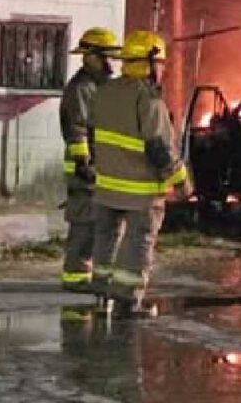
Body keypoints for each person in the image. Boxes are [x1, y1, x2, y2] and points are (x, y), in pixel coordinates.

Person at [89, 30, 192, 317]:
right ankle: (127, 302)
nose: (163, 70)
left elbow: (93, 134)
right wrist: (181, 182)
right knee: (138, 243)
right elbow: (159, 147)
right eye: (160, 64)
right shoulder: (148, 100)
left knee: (105, 239)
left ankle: (101, 295)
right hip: (140, 191)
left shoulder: (106, 92)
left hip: (106, 186)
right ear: (148, 63)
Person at [59, 28, 120, 293]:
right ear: (89, 57)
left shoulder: (102, 86)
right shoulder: (81, 88)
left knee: (101, 223)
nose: (109, 62)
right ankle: (75, 278)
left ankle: (95, 275)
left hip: (104, 166)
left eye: (110, 57)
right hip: (85, 169)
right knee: (84, 223)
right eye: (103, 56)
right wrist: (84, 163)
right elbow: (77, 128)